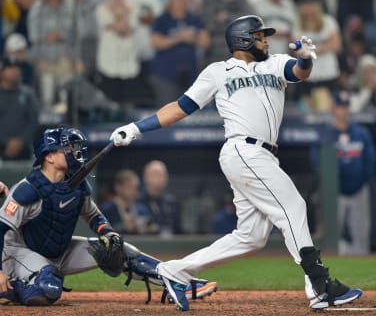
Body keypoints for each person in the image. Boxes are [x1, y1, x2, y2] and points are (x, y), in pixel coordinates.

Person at [109, 15, 362, 312]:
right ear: (242, 39)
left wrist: (305, 58)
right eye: (259, 35)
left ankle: (174, 271)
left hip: (262, 154)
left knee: (251, 237)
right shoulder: (218, 71)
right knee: (293, 206)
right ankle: (320, 284)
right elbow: (180, 107)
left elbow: (298, 72)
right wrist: (136, 128)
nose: (265, 40)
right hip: (243, 149)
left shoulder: (275, 62)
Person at [0, 127, 217, 306]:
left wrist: (109, 233)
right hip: (22, 252)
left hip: (59, 251)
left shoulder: (77, 184)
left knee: (122, 250)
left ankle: (179, 282)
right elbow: (1, 229)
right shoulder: (27, 190)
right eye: (65, 148)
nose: (73, 151)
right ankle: (10, 288)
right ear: (48, 157)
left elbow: (94, 216)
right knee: (47, 289)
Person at [327, 90, 376, 255]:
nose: (343, 110)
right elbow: (318, 164)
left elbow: (371, 163)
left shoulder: (361, 133)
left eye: (345, 106)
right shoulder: (326, 134)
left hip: (358, 191)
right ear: (333, 108)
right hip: (335, 194)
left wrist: (359, 182)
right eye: (340, 106)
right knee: (331, 243)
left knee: (362, 243)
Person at [0, 55, 39, 161]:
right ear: (1, 72)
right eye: (10, 68)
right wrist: (5, 141)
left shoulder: (28, 94)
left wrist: (20, 141)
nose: (15, 71)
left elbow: (33, 121)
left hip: (24, 149)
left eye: (17, 68)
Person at [100, 169, 155, 235]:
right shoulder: (107, 210)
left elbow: (152, 229)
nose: (133, 190)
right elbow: (104, 232)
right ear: (118, 187)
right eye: (129, 186)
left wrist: (147, 228)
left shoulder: (142, 209)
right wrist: (124, 227)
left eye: (135, 187)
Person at [138, 160, 182, 237]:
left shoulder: (172, 202)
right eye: (156, 174)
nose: (161, 178)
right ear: (145, 177)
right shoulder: (136, 202)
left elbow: (179, 230)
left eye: (164, 174)